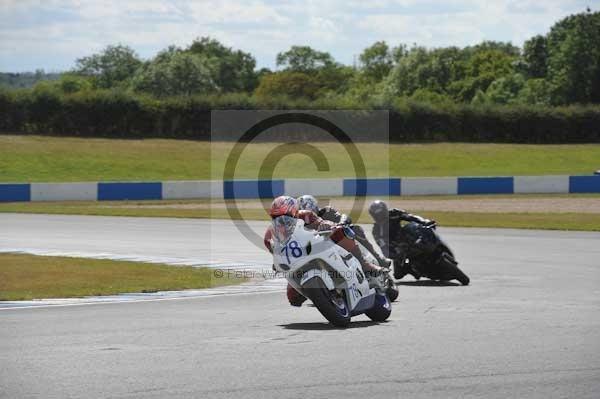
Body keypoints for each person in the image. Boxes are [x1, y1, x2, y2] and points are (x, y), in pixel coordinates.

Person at [264, 196, 385, 307]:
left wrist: (324, 224)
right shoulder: (271, 232)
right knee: (293, 298)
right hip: (298, 260)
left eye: (285, 215)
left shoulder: (306, 215)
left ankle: (364, 264)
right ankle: (324, 295)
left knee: (342, 232)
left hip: (319, 246)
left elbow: (321, 222)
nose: (281, 220)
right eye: (276, 217)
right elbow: (276, 250)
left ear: (293, 212)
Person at [297, 195, 392, 268]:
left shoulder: (326, 211)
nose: (307, 216)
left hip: (339, 242)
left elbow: (343, 217)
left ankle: (378, 260)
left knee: (355, 229)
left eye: (308, 211)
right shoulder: (300, 225)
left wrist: (342, 223)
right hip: (320, 249)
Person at [368, 200, 435, 280]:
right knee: (398, 275)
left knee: (421, 228)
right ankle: (413, 269)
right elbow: (383, 247)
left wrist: (424, 221)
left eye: (381, 214)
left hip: (408, 234)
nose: (380, 217)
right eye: (377, 215)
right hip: (397, 247)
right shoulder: (376, 230)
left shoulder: (394, 213)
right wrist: (396, 253)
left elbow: (410, 216)